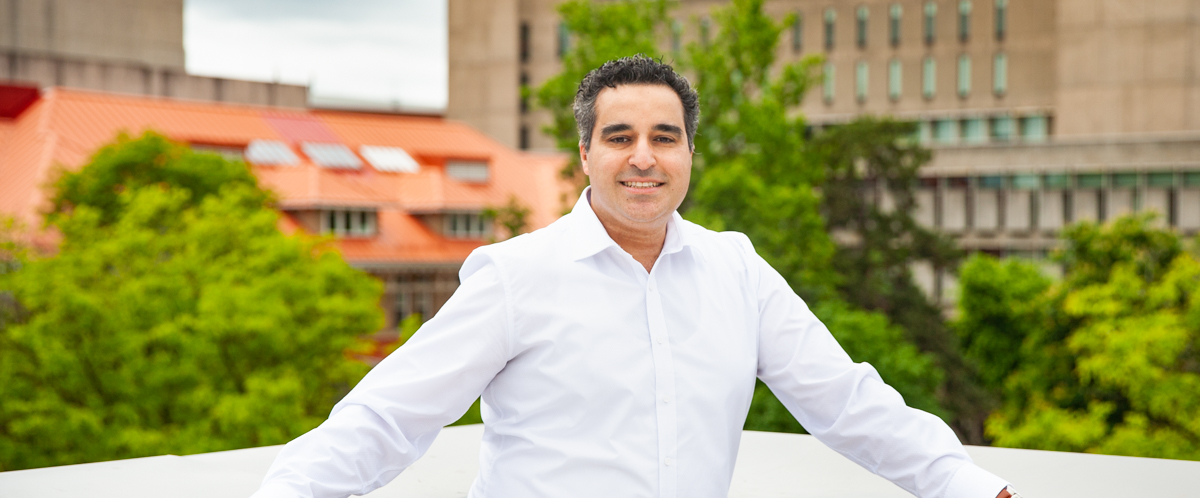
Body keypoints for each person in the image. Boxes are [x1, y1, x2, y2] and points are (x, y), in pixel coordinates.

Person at [252, 55, 1019, 498]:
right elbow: (389, 417)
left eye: (665, 137)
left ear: (690, 153)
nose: (644, 157)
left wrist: (971, 486)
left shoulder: (738, 270)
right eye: (619, 137)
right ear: (585, 155)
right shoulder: (517, 276)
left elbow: (849, 405)